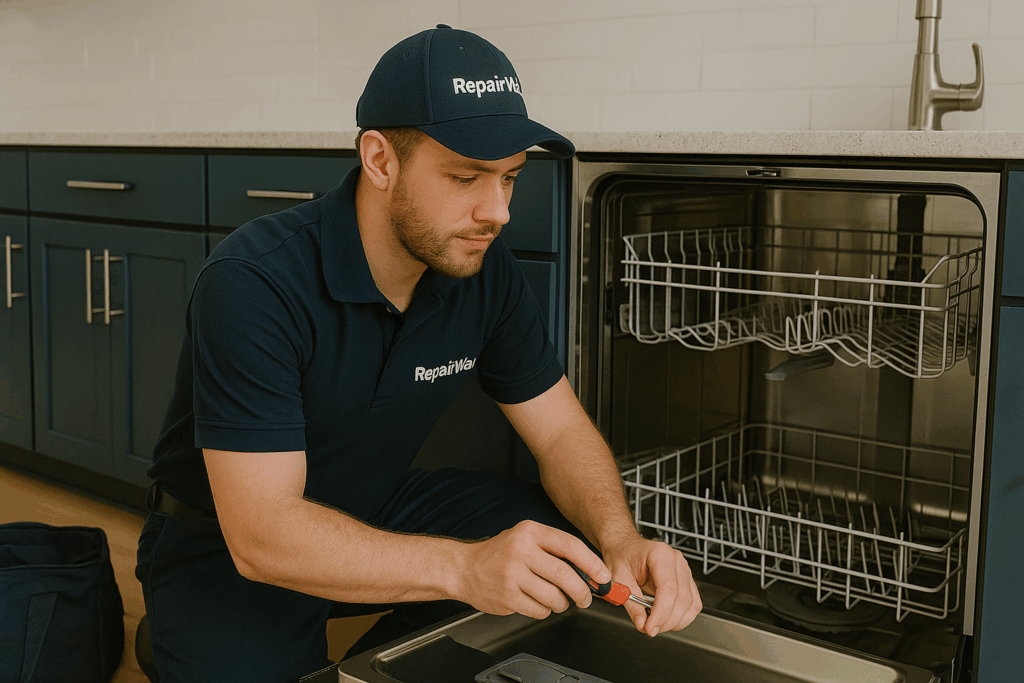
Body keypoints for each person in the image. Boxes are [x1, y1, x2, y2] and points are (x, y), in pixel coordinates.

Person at [136, 24, 701, 682]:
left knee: (559, 549)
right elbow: (263, 533)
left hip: (371, 502)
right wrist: (465, 568)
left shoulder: (483, 268)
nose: (498, 212)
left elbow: (561, 431)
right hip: (230, 546)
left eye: (511, 178)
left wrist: (620, 539)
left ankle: (372, 656)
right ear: (380, 161)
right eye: (467, 177)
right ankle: (187, 635)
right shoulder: (254, 281)